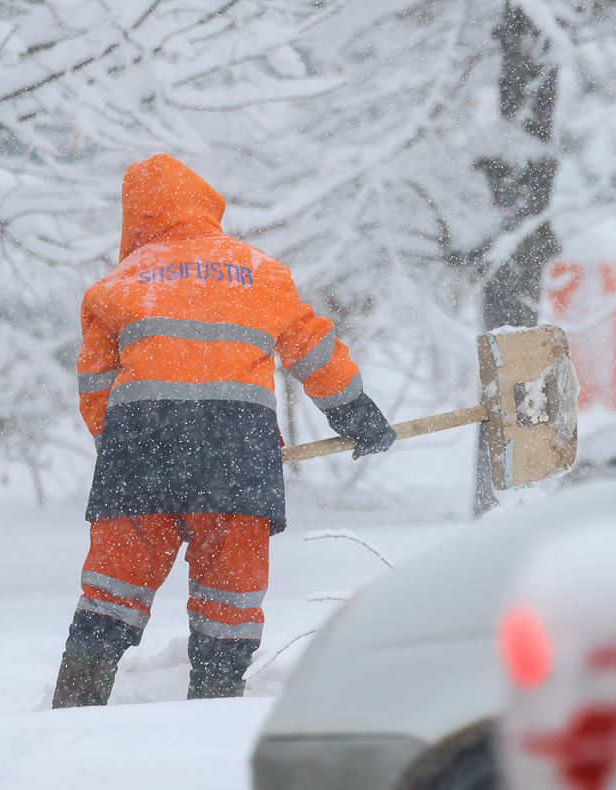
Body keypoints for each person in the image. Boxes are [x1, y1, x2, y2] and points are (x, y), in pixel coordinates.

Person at [52, 154, 396, 707]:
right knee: (229, 593)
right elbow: (312, 349)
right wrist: (355, 414)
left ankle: (72, 710)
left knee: (112, 589)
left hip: (141, 450)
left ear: (136, 218)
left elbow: (96, 387)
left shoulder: (114, 287)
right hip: (237, 454)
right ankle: (216, 705)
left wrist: (117, 448)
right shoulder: (261, 272)